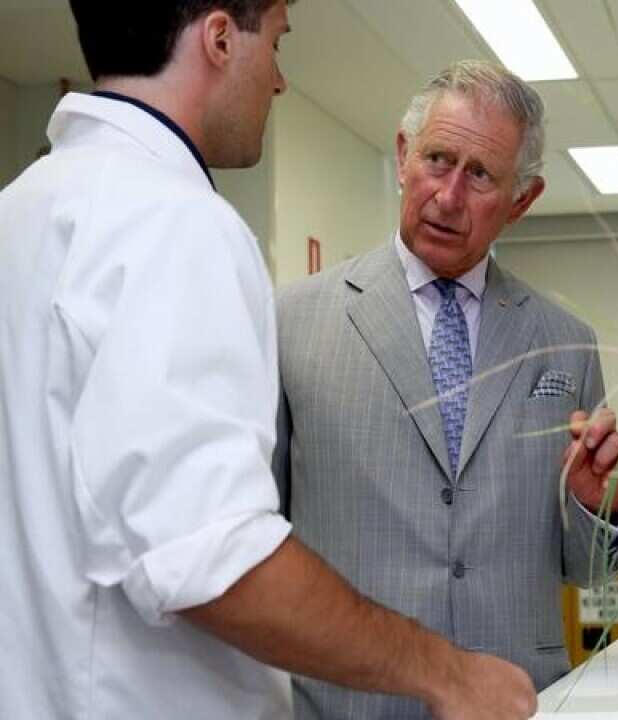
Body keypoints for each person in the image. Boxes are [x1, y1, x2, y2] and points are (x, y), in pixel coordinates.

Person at [0, 4, 535, 719]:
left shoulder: (21, 211)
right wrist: (443, 670)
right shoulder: (178, 224)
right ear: (222, 39)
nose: (280, 81)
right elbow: (210, 555)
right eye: (278, 42)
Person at [273, 60, 618, 717]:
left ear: (522, 201)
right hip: (349, 705)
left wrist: (598, 509)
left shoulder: (564, 342)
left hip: (517, 700)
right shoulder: (292, 324)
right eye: (438, 160)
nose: (447, 196)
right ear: (402, 156)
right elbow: (254, 541)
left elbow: (589, 573)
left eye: (480, 176)